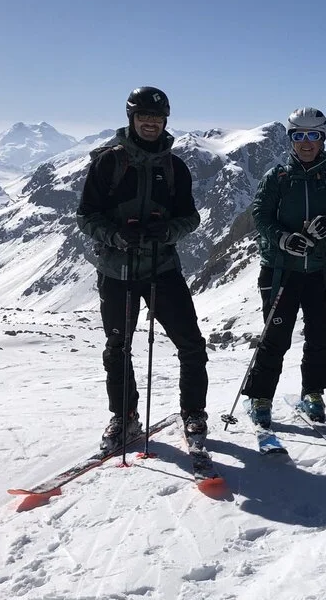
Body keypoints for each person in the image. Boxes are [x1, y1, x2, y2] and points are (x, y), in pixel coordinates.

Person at [77, 86, 209, 449]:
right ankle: (124, 417)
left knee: (191, 345)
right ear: (131, 118)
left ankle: (194, 414)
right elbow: (85, 215)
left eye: (156, 117)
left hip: (161, 267)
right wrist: (117, 236)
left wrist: (167, 231)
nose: (150, 123)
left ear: (165, 120)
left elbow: (190, 217)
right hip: (116, 272)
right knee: (117, 348)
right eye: (143, 116)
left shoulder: (175, 167)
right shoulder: (109, 162)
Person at [242, 107, 326, 427]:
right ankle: (260, 397)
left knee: (320, 335)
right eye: (299, 135)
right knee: (275, 336)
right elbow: (260, 217)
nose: (306, 142)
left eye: (313, 136)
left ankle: (313, 392)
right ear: (290, 139)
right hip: (280, 269)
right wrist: (284, 240)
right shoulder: (277, 177)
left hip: (320, 269)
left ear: (322, 138)